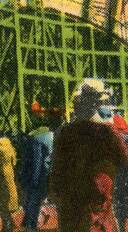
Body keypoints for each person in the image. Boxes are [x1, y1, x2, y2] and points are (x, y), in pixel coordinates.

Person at [51, 80, 127, 232]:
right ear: (98, 104)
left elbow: (56, 173)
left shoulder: (64, 133)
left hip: (71, 211)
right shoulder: (108, 133)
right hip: (98, 209)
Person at [18, 123, 54, 231]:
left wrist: (34, 180)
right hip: (51, 174)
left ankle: (30, 225)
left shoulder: (37, 140)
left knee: (33, 200)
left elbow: (37, 163)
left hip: (41, 176)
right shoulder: (53, 137)